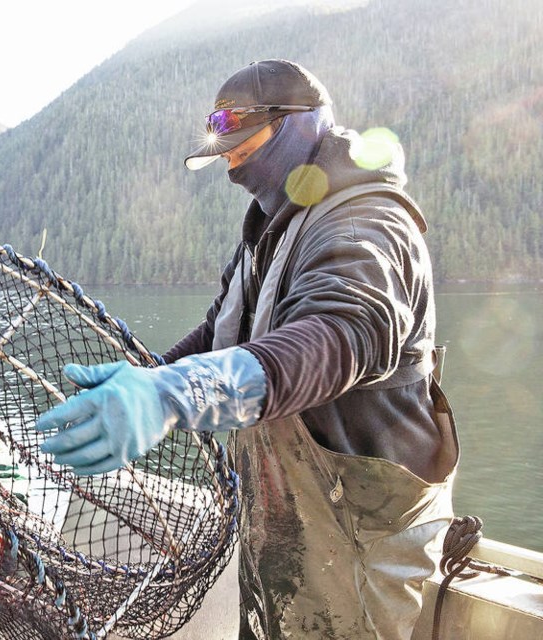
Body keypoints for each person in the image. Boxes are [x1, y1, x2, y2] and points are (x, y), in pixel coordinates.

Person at [35, 59, 458, 639]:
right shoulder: (271, 225)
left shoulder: (366, 219)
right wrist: (146, 376)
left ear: (297, 123)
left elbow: (341, 335)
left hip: (360, 538)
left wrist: (173, 396)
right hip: (285, 526)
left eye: (239, 142)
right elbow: (220, 333)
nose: (229, 162)